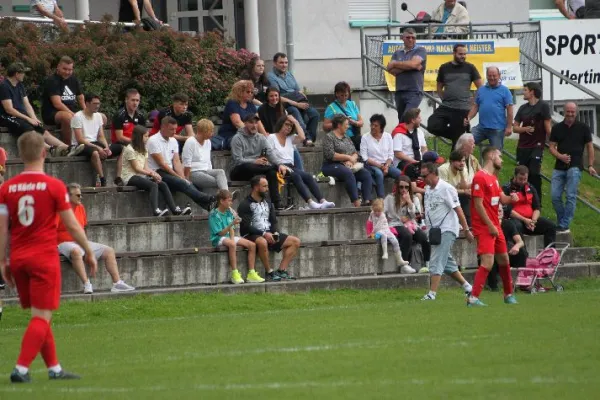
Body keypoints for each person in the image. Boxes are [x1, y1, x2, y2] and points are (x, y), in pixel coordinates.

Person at [0, 131, 97, 383]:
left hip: (19, 258)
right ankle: (21, 369)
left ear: (20, 155)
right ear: (44, 152)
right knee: (41, 316)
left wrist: (2, 260)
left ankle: (54, 368)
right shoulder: (54, 186)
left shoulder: (7, 188)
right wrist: (87, 249)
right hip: (43, 257)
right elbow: (73, 226)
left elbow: (2, 228)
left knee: (40, 315)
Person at [56, 183, 135, 294]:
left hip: (79, 242)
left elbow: (83, 228)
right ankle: (87, 284)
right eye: (78, 195)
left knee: (109, 251)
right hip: (63, 242)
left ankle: (117, 283)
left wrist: (87, 248)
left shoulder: (81, 208)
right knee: (76, 251)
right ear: (68, 196)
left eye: (81, 195)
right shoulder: (59, 210)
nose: (81, 197)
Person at [467, 146, 520, 307]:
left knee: (504, 259)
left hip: (495, 226)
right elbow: (478, 205)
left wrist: (512, 198)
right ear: (491, 156)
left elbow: (501, 199)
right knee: (488, 262)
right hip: (485, 227)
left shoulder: (494, 178)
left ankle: (508, 294)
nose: (501, 159)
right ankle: (473, 298)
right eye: (499, 156)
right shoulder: (480, 177)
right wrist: (490, 225)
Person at [0, 62, 80, 158]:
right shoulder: (4, 86)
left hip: (21, 116)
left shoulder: (20, 85)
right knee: (32, 133)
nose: (24, 75)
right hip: (8, 117)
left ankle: (67, 148)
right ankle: (51, 150)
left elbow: (27, 104)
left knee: (43, 131)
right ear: (17, 74)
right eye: (23, 73)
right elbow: (9, 110)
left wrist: (34, 118)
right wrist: (28, 119)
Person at [420, 162, 474, 300]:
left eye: (425, 175)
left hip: (447, 229)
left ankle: (432, 294)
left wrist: (466, 229)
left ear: (433, 173)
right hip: (434, 231)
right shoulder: (428, 189)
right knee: (447, 263)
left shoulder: (447, 188)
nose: (423, 178)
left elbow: (458, 209)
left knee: (436, 260)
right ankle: (468, 287)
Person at [238, 175, 301, 282]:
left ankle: (281, 271)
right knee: (262, 242)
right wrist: (263, 234)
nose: (267, 189)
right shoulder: (245, 204)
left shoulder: (268, 202)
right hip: (251, 234)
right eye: (265, 186)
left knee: (295, 241)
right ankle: (269, 272)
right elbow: (246, 226)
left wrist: (275, 233)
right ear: (256, 187)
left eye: (267, 186)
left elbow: (273, 221)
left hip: (268, 232)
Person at [147, 116, 216, 212]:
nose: (175, 132)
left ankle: (208, 206)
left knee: (185, 183)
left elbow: (176, 161)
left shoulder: (173, 140)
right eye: (172, 129)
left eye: (176, 129)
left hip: (168, 172)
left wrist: (183, 177)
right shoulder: (153, 140)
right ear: (163, 127)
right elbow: (162, 164)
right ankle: (210, 199)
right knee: (183, 183)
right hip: (156, 172)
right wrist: (179, 177)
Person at [549, 102, 597, 233]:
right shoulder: (557, 128)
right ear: (564, 111)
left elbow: (590, 147)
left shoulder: (583, 127)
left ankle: (563, 224)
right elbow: (551, 147)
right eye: (568, 111)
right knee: (554, 196)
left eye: (572, 112)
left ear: (576, 112)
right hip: (559, 166)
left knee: (571, 195)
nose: (570, 114)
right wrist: (560, 156)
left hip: (575, 166)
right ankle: (562, 221)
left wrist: (591, 165)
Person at [268, 115, 335, 209]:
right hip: (278, 166)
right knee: (296, 176)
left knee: (308, 176)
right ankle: (310, 202)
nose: (288, 127)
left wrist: (295, 122)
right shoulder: (271, 137)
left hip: (291, 167)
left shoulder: (290, 138)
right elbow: (269, 155)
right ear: (280, 124)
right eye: (286, 124)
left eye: (290, 126)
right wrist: (279, 164)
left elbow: (302, 137)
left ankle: (322, 200)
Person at [122, 125, 190, 216]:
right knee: (153, 185)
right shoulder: (129, 149)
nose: (148, 138)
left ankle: (174, 210)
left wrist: (154, 173)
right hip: (129, 177)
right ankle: (156, 210)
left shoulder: (144, 149)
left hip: (141, 175)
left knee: (162, 183)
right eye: (145, 136)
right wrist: (151, 174)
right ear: (139, 136)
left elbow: (145, 167)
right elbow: (136, 168)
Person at [230, 114, 290, 210]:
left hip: (256, 170)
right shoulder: (237, 138)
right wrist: (255, 161)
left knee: (272, 172)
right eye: (251, 123)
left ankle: (277, 203)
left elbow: (270, 153)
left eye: (256, 123)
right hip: (239, 170)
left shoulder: (261, 137)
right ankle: (272, 167)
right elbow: (238, 160)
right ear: (245, 123)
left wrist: (280, 164)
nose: (254, 125)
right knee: (249, 166)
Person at [428, 44, 482, 148]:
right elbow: (439, 87)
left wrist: (473, 101)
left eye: (465, 54)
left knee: (457, 146)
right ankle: (459, 136)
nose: (463, 56)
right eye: (460, 54)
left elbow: (480, 87)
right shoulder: (444, 67)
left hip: (462, 108)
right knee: (432, 125)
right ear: (454, 53)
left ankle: (459, 142)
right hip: (446, 106)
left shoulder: (470, 67)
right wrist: (443, 98)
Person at [209, 189, 265, 284]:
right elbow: (220, 233)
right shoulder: (214, 214)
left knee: (252, 245)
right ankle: (234, 273)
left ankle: (251, 273)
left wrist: (232, 239)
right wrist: (232, 225)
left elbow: (231, 230)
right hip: (217, 238)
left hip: (227, 236)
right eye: (229, 200)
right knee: (231, 244)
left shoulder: (228, 212)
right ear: (222, 201)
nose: (231, 203)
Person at [71, 93, 123, 187]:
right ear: (87, 103)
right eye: (95, 104)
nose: (97, 106)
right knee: (95, 153)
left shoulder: (98, 116)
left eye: (98, 103)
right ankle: (102, 179)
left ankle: (118, 177)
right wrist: (98, 148)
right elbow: (80, 139)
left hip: (95, 143)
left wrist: (106, 147)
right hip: (80, 145)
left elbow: (101, 136)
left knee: (121, 148)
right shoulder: (77, 117)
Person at [267, 52, 319, 145]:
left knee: (315, 114)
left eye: (286, 63)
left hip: (298, 101)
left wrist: (301, 98)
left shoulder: (289, 74)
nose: (284, 65)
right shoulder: (271, 76)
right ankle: (306, 138)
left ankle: (311, 138)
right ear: (275, 63)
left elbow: (298, 91)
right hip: (285, 104)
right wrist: (297, 104)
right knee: (295, 111)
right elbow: (277, 97)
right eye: (281, 63)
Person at [322, 114, 374, 208]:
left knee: (366, 174)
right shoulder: (329, 137)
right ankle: (357, 203)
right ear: (339, 125)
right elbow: (330, 155)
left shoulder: (346, 137)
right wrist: (348, 157)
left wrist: (351, 161)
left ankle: (366, 201)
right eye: (346, 124)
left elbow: (354, 152)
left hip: (348, 165)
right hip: (331, 165)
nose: (348, 126)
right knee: (348, 173)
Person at [512, 82, 552, 202]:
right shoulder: (522, 108)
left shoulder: (543, 106)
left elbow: (548, 126)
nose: (523, 92)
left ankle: (537, 202)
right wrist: (525, 129)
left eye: (525, 90)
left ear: (532, 92)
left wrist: (554, 142)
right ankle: (520, 200)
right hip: (523, 146)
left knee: (534, 173)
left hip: (537, 145)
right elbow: (515, 127)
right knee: (521, 174)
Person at [503, 165, 557, 247]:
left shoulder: (530, 187)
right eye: (520, 179)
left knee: (551, 226)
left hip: (531, 220)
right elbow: (507, 210)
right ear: (515, 176)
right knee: (516, 226)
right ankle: (522, 253)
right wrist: (525, 220)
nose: (523, 181)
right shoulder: (506, 188)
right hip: (516, 219)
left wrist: (533, 221)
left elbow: (537, 207)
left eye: (525, 179)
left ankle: (549, 254)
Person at [383, 176, 426, 273]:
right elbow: (382, 211)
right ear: (397, 187)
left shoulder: (414, 198)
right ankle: (404, 265)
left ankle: (427, 263)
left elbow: (417, 215)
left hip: (411, 224)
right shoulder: (390, 198)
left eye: (406, 187)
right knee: (407, 235)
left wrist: (409, 202)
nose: (404, 190)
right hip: (394, 223)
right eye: (401, 187)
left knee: (423, 237)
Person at [466, 66, 514, 151]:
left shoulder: (505, 91)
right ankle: (463, 163)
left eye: (494, 75)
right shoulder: (481, 90)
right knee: (466, 142)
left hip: (497, 129)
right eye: (490, 75)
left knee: (495, 155)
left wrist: (509, 127)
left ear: (499, 76)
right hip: (481, 128)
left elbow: (510, 111)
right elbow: (475, 106)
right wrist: (468, 118)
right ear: (486, 76)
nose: (492, 78)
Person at [41, 56, 86, 145]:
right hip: (52, 113)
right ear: (58, 67)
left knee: (101, 117)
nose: (67, 72)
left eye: (70, 70)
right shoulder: (52, 81)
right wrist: (73, 114)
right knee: (67, 117)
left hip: (70, 111)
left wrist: (86, 111)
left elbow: (80, 96)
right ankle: (68, 147)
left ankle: (91, 143)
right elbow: (57, 103)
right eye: (64, 69)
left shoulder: (73, 79)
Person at [258, 87, 305, 171]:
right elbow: (259, 123)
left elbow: (301, 136)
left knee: (294, 150)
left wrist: (295, 122)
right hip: (271, 138)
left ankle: (301, 172)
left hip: (283, 137)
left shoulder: (281, 107)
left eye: (276, 95)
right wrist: (265, 133)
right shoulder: (262, 109)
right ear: (267, 97)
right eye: (271, 96)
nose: (274, 98)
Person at [386, 28, 427, 120]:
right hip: (400, 91)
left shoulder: (420, 50)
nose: (411, 39)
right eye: (408, 37)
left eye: (413, 38)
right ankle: (409, 134)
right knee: (402, 120)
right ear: (402, 38)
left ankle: (413, 134)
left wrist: (396, 64)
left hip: (414, 91)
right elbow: (390, 69)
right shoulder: (397, 53)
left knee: (407, 118)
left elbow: (413, 64)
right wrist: (410, 66)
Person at [213, 80, 266, 151]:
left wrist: (265, 136)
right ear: (239, 92)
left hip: (248, 135)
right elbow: (237, 123)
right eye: (247, 92)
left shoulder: (251, 105)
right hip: (231, 135)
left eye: (251, 92)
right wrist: (253, 136)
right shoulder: (232, 103)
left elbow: (258, 122)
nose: (250, 94)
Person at [360, 114, 400, 199]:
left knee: (400, 174)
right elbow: (364, 157)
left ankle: (399, 197)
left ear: (381, 127)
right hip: (372, 165)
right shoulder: (365, 137)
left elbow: (391, 154)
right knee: (379, 174)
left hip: (387, 164)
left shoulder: (388, 136)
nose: (373, 127)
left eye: (376, 126)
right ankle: (381, 199)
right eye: (371, 125)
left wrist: (386, 166)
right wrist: (380, 166)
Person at [182, 119, 228, 192]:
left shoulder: (208, 142)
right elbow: (187, 162)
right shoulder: (190, 141)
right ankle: (227, 196)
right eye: (211, 131)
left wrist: (210, 171)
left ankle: (226, 196)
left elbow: (208, 160)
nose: (212, 134)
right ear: (203, 131)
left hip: (206, 170)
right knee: (219, 182)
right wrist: (186, 179)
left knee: (221, 172)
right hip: (193, 172)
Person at [366, 198, 409, 267]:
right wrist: (370, 233)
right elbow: (370, 223)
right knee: (383, 235)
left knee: (395, 241)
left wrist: (372, 232)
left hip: (385, 230)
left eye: (379, 211)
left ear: (382, 210)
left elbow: (378, 225)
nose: (377, 213)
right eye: (375, 211)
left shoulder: (382, 216)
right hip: (378, 232)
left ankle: (399, 259)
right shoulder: (372, 214)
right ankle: (385, 252)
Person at [323, 82, 364, 150]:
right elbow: (325, 126)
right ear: (336, 94)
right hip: (341, 138)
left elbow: (361, 122)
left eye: (346, 95)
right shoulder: (331, 107)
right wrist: (340, 123)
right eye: (342, 95)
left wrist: (354, 122)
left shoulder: (352, 104)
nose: (344, 97)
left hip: (355, 135)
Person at [438, 150, 473, 226]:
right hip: (443, 196)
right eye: (459, 161)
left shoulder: (463, 169)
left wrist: (461, 174)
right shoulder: (443, 169)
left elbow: (464, 187)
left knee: (467, 197)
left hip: (457, 195)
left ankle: (469, 224)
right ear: (451, 162)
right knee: (464, 195)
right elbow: (445, 191)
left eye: (463, 161)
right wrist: (464, 191)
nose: (462, 163)